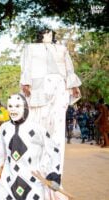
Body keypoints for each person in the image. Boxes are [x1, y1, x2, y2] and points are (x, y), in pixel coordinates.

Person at [20, 28, 81, 174]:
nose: (48, 35)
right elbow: (26, 66)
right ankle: (34, 168)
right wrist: (26, 82)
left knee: (57, 129)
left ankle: (54, 170)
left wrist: (73, 85)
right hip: (40, 87)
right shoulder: (31, 48)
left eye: (50, 33)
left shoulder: (62, 49)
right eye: (45, 33)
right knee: (37, 125)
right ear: (39, 35)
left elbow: (69, 68)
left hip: (60, 86)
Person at [0, 94, 62, 200]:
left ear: (25, 107)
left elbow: (54, 151)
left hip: (33, 182)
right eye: (10, 106)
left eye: (17, 106)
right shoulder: (4, 129)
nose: (13, 109)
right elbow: (0, 153)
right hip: (8, 181)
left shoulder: (37, 129)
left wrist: (54, 173)